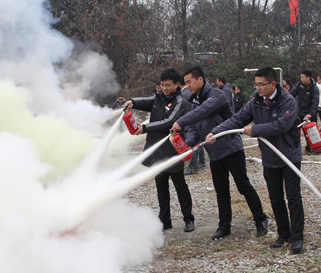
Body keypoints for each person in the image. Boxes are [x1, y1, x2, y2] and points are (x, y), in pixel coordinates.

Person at [207, 66, 304, 254]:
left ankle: (297, 237)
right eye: (256, 84)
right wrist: (216, 132)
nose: (258, 88)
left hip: (289, 155)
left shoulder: (288, 101)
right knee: (275, 198)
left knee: (293, 197)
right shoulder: (255, 102)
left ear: (273, 83)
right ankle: (283, 234)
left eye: (262, 84)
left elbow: (282, 125)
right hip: (269, 158)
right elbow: (238, 119)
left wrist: (256, 130)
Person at [171, 66, 268, 240]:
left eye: (189, 82)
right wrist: (188, 144)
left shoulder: (218, 95)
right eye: (185, 83)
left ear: (200, 79)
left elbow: (203, 112)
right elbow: (194, 125)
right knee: (221, 190)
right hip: (214, 154)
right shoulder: (193, 101)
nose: (187, 86)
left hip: (231, 148)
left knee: (243, 186)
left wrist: (180, 121)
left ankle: (260, 219)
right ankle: (224, 226)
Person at [125, 69, 195, 233]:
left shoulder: (181, 102)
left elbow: (169, 122)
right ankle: (165, 220)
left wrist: (145, 128)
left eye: (168, 85)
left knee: (180, 186)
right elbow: (147, 102)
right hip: (157, 151)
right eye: (162, 85)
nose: (164, 88)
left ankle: (188, 219)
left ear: (177, 85)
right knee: (161, 187)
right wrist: (132, 102)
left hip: (173, 151)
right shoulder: (158, 98)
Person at [289, 70, 319, 153]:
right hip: (299, 112)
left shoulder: (314, 88)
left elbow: (315, 102)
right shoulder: (299, 86)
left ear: (308, 78)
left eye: (303, 77)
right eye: (301, 77)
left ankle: (314, 148)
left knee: (311, 132)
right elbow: (291, 94)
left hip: (309, 113)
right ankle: (294, 148)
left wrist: (310, 114)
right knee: (295, 130)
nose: (301, 79)